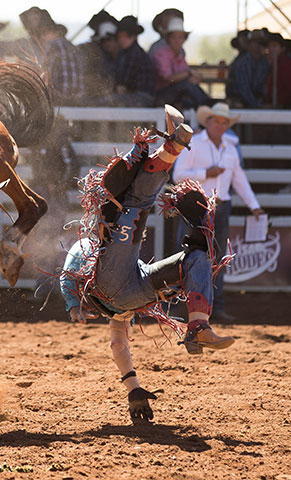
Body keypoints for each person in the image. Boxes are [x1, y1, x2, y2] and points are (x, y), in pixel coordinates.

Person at [60, 105, 235, 422]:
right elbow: (69, 274)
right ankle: (172, 148)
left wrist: (134, 389)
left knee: (194, 258)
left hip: (123, 288)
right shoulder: (91, 245)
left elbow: (115, 341)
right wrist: (73, 301)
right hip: (116, 280)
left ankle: (198, 326)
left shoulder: (90, 251)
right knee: (136, 204)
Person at [173, 102, 264, 323]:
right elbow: (178, 176)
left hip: (218, 207)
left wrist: (254, 205)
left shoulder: (229, 148)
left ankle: (212, 307)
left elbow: (239, 179)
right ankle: (182, 308)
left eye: (225, 123)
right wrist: (207, 172)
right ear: (209, 122)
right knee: (188, 258)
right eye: (218, 121)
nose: (221, 126)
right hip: (196, 207)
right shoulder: (194, 142)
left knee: (216, 259)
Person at [151, 17, 209, 110]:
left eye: (180, 37)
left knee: (189, 99)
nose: (177, 41)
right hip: (160, 95)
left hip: (175, 95)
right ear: (168, 39)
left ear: (184, 39)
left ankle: (206, 110)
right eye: (174, 37)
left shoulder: (179, 55)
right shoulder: (161, 54)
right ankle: (208, 106)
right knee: (187, 86)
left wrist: (192, 78)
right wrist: (189, 74)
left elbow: (182, 74)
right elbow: (170, 79)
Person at [34, 9, 85, 106]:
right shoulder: (71, 46)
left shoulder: (52, 46)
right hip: (79, 99)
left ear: (51, 32)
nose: (42, 38)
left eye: (44, 33)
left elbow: (47, 76)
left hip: (60, 99)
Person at [106, 16, 155, 107]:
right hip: (136, 96)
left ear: (132, 36)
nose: (121, 40)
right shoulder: (127, 53)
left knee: (105, 103)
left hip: (141, 97)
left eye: (124, 36)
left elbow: (124, 85)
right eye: (119, 37)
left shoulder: (134, 54)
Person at [78, 10, 119, 104]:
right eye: (104, 40)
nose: (107, 43)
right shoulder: (97, 56)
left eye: (109, 40)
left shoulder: (116, 58)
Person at [226, 30, 270, 108]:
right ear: (249, 44)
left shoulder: (265, 62)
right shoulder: (242, 62)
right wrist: (257, 105)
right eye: (256, 42)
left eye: (262, 43)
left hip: (255, 99)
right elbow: (243, 88)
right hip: (238, 99)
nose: (260, 45)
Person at [265, 32, 291, 108]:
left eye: (274, 46)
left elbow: (289, 87)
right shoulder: (272, 63)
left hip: (286, 105)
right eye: (269, 46)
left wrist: (279, 103)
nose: (271, 49)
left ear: (282, 48)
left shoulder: (285, 63)